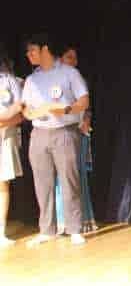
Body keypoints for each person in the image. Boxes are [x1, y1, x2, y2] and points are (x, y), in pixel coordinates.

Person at [21, 34, 90, 247]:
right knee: (43, 184)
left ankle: (74, 229)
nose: (29, 55)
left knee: (69, 181)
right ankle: (47, 230)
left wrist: (66, 109)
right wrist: (32, 113)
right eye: (27, 52)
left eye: (32, 50)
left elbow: (84, 101)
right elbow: (25, 108)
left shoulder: (69, 73)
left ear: (45, 49)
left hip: (64, 132)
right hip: (39, 133)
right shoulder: (32, 79)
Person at [53, 45, 97, 233]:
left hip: (78, 132)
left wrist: (86, 120)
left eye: (75, 58)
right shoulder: (53, 82)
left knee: (77, 176)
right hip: (59, 133)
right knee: (59, 177)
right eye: (69, 57)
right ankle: (61, 222)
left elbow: (87, 107)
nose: (73, 61)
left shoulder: (80, 80)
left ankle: (83, 220)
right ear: (60, 60)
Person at [0, 46, 24, 247]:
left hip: (5, 136)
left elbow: (21, 110)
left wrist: (5, 120)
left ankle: (0, 231)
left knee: (2, 183)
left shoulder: (9, 80)